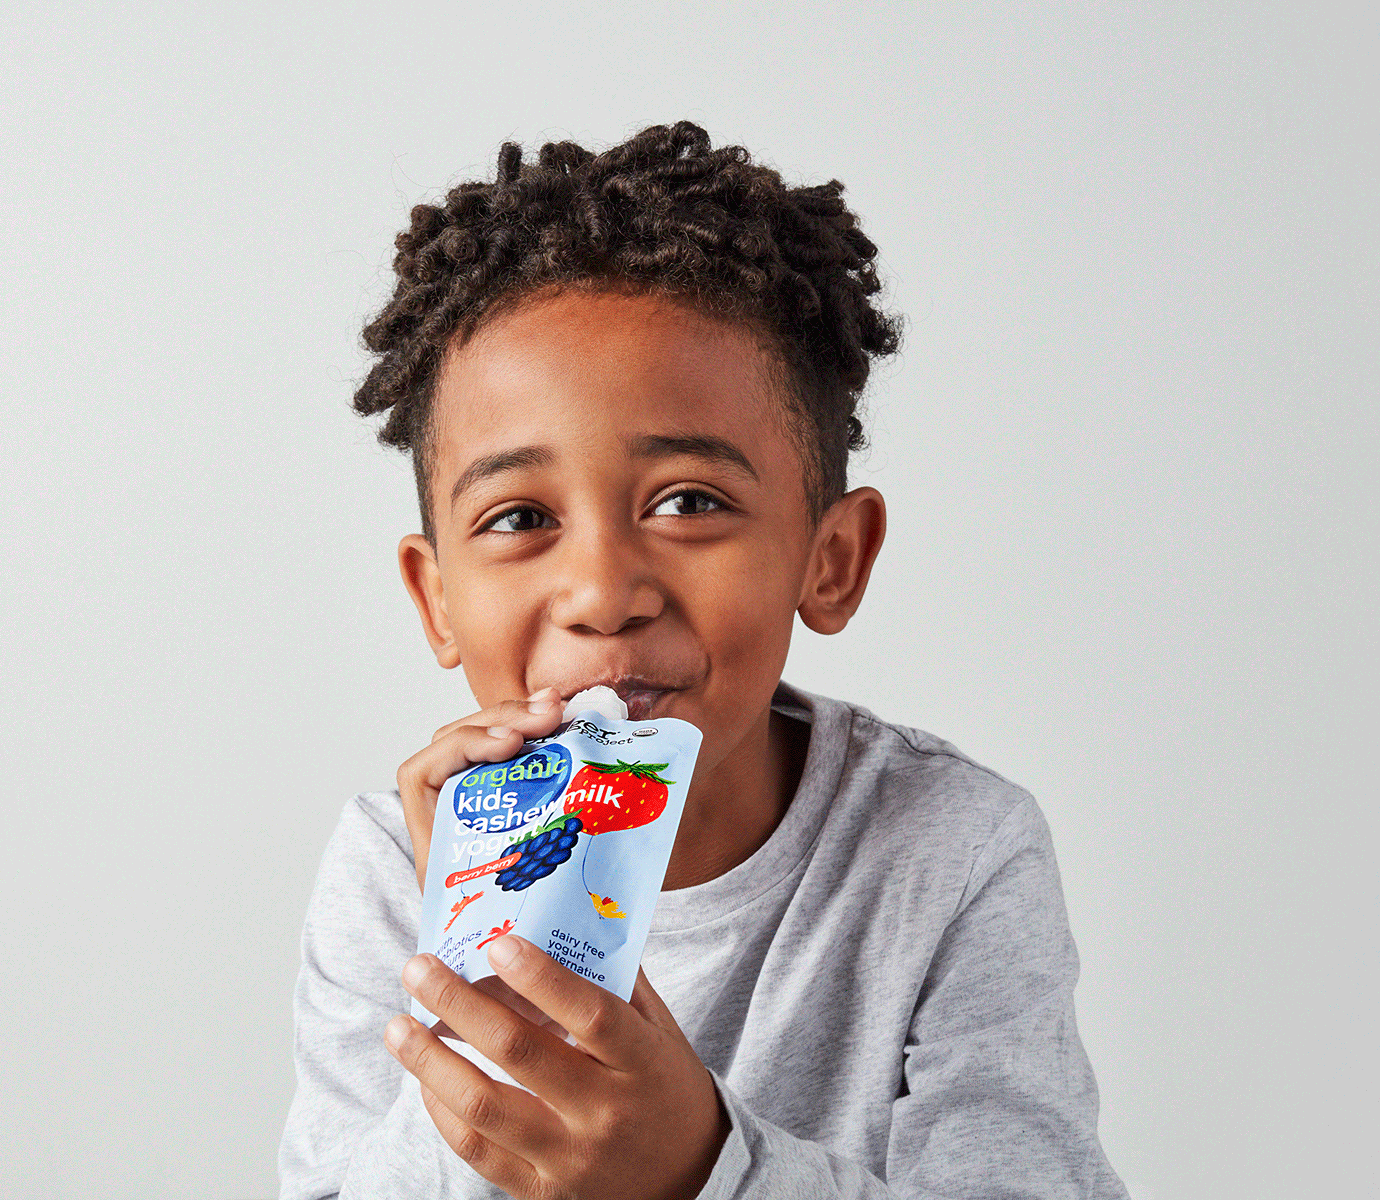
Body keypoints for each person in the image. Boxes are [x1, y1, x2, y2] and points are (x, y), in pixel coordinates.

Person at [278, 120, 1129, 1200]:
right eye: (520, 516)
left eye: (689, 501)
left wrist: (700, 1170)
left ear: (830, 560)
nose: (602, 593)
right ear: (434, 598)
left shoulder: (951, 851)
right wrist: (479, 947)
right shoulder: (389, 869)